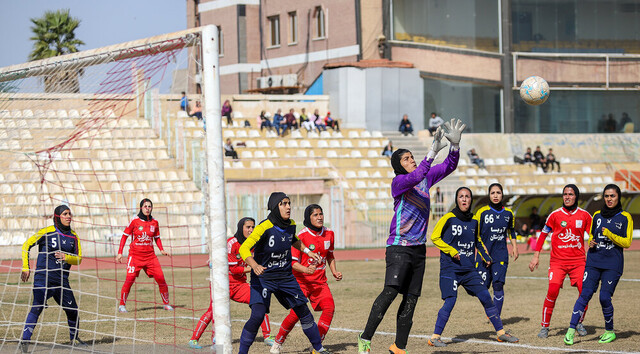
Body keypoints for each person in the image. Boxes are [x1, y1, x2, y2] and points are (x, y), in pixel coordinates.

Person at [358, 119, 465, 354]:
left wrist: (455, 147)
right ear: (398, 165)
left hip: (419, 249)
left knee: (412, 298)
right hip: (399, 247)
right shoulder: (399, 182)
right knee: (391, 291)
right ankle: (365, 339)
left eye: (411, 157)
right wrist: (432, 151)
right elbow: (415, 177)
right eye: (406, 159)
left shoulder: (425, 178)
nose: (411, 160)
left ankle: (399, 346)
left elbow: (448, 167)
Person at [237, 192, 330, 354]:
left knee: (303, 311)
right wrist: (254, 265)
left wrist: (308, 251)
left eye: (289, 203)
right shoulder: (263, 227)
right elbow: (244, 248)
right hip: (263, 278)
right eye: (283, 204)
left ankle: (319, 349)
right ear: (275, 206)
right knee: (258, 315)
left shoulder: (291, 224)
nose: (288, 207)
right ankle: (242, 352)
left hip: (285, 277)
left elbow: (293, 240)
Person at [428, 187, 519, 347]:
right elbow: (434, 237)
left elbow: (477, 240)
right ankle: (435, 337)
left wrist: (486, 256)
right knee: (450, 301)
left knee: (485, 296)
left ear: (471, 200)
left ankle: (500, 333)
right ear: (457, 199)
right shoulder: (448, 218)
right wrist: (451, 250)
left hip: (469, 269)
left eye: (467, 197)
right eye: (461, 197)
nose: (464, 199)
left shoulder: (474, 221)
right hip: (450, 269)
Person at [188, 218, 274, 349]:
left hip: (240, 284)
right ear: (241, 228)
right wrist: (254, 267)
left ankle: (267, 337)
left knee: (259, 302)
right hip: (222, 284)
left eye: (252, 227)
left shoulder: (254, 244)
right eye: (248, 227)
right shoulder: (231, 243)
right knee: (212, 312)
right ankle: (194, 340)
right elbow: (234, 269)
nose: (251, 230)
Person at [563, 184, 633, 345]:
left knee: (604, 297)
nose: (609, 199)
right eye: (607, 196)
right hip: (594, 260)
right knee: (585, 294)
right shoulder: (597, 215)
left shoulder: (625, 217)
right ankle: (571, 330)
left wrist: (610, 234)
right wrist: (591, 241)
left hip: (612, 264)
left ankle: (609, 331)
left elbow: (627, 242)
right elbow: (592, 236)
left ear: (618, 197)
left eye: (612, 196)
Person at [270, 204, 343, 354]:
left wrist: (334, 271)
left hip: (320, 283)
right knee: (296, 314)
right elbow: (292, 263)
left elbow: (329, 255)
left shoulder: (329, 233)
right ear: (308, 218)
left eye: (321, 214)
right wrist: (306, 270)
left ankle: (317, 346)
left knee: (329, 308)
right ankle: (277, 342)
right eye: (315, 215)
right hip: (301, 283)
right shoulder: (301, 236)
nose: (320, 217)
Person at [20, 205, 87, 352]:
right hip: (43, 278)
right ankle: (24, 342)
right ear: (57, 217)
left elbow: (79, 259)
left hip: (62, 281)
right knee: (37, 307)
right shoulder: (47, 232)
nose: (69, 216)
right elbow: (26, 245)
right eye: (65, 214)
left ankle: (74, 338)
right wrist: (26, 267)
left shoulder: (74, 236)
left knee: (73, 310)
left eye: (70, 214)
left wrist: (66, 257)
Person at [528, 184, 592, 338]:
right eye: (565, 194)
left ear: (576, 196)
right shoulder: (554, 215)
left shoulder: (585, 215)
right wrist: (536, 255)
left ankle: (578, 322)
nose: (567, 197)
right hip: (558, 262)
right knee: (552, 291)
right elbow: (543, 235)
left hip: (579, 262)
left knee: (585, 292)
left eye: (570, 194)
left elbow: (592, 237)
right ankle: (545, 327)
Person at [116, 199, 172, 313]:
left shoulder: (155, 222)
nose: (147, 208)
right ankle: (122, 305)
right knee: (129, 279)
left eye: (149, 206)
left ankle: (166, 304)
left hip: (150, 257)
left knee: (161, 278)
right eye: (145, 206)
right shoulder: (134, 221)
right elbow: (124, 236)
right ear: (141, 208)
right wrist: (120, 252)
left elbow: (157, 237)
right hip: (135, 257)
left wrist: (162, 250)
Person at [473, 183, 519, 319]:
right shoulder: (482, 212)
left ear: (502, 195)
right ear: (489, 195)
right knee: (482, 287)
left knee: (498, 285)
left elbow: (511, 231)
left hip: (501, 254)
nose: (495, 195)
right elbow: (475, 233)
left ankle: (495, 317)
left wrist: (515, 247)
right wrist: (481, 249)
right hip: (483, 255)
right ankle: (490, 309)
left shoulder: (508, 213)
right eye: (492, 193)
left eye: (498, 193)